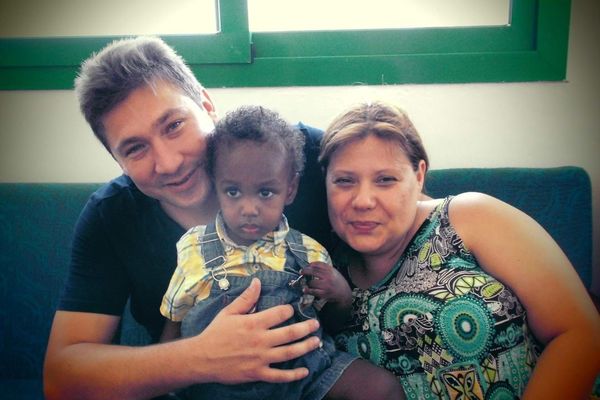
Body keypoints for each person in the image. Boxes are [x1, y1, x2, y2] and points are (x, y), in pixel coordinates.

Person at [43, 36, 328, 400]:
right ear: (118, 162)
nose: (169, 162)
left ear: (207, 106)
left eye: (174, 125)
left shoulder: (301, 154)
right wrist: (200, 358)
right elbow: (62, 379)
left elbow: (420, 220)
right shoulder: (111, 216)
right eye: (135, 148)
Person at [316, 101, 600, 399]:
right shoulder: (319, 274)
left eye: (385, 180)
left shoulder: (467, 217)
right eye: (344, 181)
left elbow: (579, 333)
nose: (363, 200)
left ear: (419, 175)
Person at [159, 105, 404, 399]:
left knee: (380, 388)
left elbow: (333, 325)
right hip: (221, 384)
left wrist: (341, 294)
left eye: (265, 193)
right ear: (216, 185)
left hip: (306, 373)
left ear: (289, 189)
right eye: (233, 192)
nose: (249, 209)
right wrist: (169, 382)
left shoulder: (309, 251)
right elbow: (174, 321)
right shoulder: (195, 247)